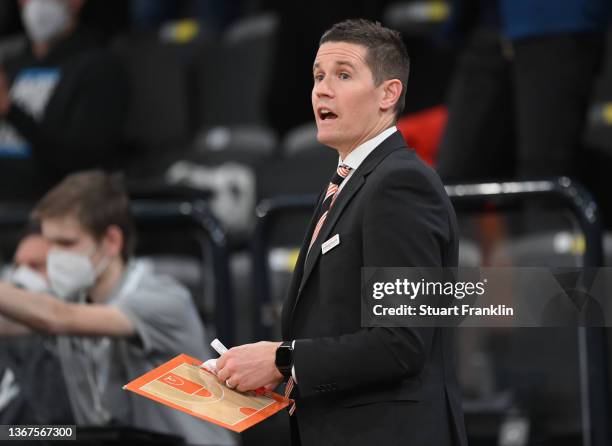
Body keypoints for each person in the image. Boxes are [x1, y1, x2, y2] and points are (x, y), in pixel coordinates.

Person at [216, 19, 467, 445]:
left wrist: (283, 359)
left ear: (389, 93)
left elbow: (401, 340)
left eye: (343, 75)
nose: (322, 90)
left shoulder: (400, 183)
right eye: (317, 76)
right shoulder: (350, 182)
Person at [0, 170, 235, 446]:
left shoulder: (163, 299)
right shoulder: (71, 300)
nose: (54, 257)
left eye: (66, 243)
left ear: (112, 241)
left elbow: (55, 317)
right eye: (50, 245)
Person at [0, 0, 128, 201]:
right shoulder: (11, 63)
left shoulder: (99, 67)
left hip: (45, 206)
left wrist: (11, 111)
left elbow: (80, 160)